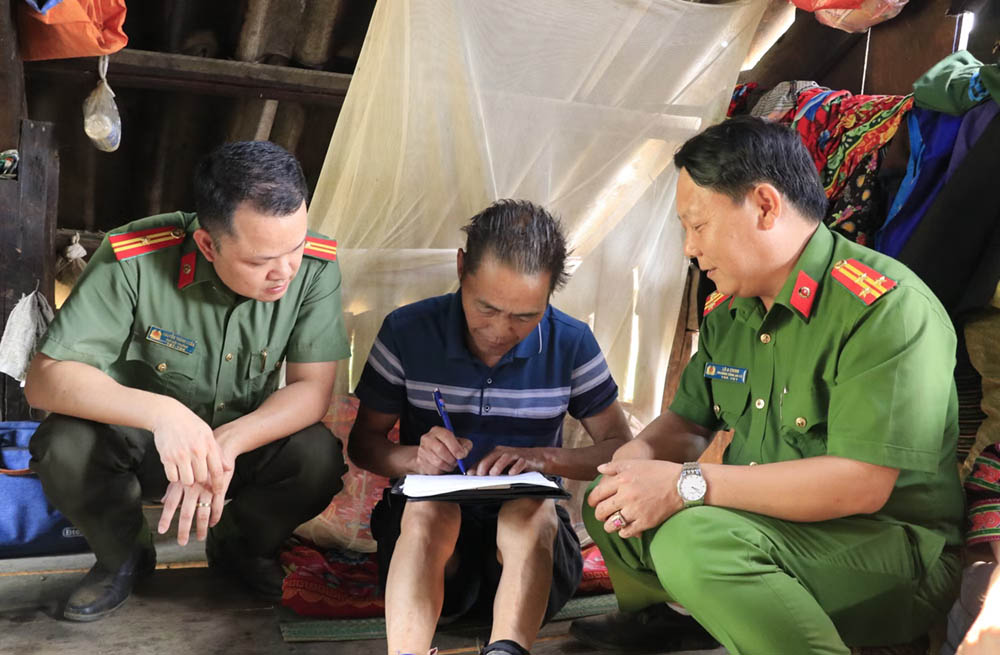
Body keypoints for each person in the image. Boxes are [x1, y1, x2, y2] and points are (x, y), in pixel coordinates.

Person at [569, 116, 964, 654]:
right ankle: (675, 619)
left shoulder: (885, 309)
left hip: (887, 549)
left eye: (697, 225)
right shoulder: (731, 314)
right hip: (763, 528)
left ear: (764, 205)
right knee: (606, 498)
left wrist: (687, 484)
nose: (689, 248)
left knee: (694, 539)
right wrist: (636, 460)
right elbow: (687, 423)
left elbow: (860, 485)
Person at [24, 141, 350, 621]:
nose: (285, 271)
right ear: (207, 244)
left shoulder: (315, 267)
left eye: (295, 247)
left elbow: (311, 389)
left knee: (317, 457)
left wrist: (225, 443)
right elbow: (45, 381)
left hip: (236, 450)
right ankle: (123, 557)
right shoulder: (134, 257)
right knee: (63, 446)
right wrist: (166, 415)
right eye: (261, 260)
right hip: (143, 447)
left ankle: (240, 546)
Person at [348, 199, 631, 655]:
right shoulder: (407, 332)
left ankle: (507, 649)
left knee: (530, 509)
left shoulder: (571, 343)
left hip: (533, 565)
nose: (501, 330)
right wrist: (413, 458)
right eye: (486, 308)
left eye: (525, 316)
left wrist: (545, 459)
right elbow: (363, 445)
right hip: (434, 565)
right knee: (428, 510)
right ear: (462, 268)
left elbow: (620, 448)